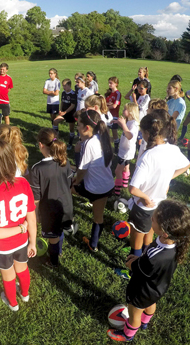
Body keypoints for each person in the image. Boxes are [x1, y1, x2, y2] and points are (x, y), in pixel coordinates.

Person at [107, 200, 190, 342]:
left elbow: (139, 269)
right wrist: (139, 260)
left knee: (134, 314)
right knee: (151, 304)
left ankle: (127, 335)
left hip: (142, 291)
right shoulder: (175, 242)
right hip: (158, 288)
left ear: (164, 232)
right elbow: (147, 263)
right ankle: (146, 322)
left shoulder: (155, 257)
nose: (151, 218)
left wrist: (132, 263)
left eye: (154, 219)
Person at [0, 141, 37, 312]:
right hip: (21, 241)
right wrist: (31, 241)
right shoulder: (23, 183)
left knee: (8, 274)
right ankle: (25, 295)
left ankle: (13, 304)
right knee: (22, 268)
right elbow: (31, 218)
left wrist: (20, 229)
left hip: (0, 247)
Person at [125, 110, 190, 259]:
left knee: (137, 238)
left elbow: (133, 188)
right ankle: (146, 256)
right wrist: (168, 179)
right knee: (150, 230)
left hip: (143, 207)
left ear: (148, 133)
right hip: (159, 204)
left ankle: (132, 267)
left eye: (142, 133)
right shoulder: (173, 149)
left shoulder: (147, 156)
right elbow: (186, 165)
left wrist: (146, 198)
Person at [71, 110, 114, 252]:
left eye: (78, 125)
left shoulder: (89, 144)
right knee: (98, 218)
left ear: (87, 128)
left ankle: (65, 223)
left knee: (65, 188)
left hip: (94, 188)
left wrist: (76, 181)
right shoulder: (102, 137)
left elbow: (81, 169)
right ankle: (93, 245)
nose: (77, 128)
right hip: (107, 185)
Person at [30, 128, 73, 267]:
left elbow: (36, 197)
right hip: (66, 205)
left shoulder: (37, 168)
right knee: (59, 230)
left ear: (41, 145)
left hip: (50, 210)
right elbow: (69, 183)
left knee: (53, 238)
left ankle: (54, 261)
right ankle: (58, 251)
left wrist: (35, 215)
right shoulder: (65, 161)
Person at [114, 103, 139, 197]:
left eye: (125, 109)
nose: (123, 110)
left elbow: (129, 136)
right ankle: (124, 184)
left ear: (131, 112)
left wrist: (123, 124)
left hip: (126, 152)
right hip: (126, 150)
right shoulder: (130, 121)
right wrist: (120, 124)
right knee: (126, 167)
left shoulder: (134, 124)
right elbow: (126, 130)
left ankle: (117, 190)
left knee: (117, 171)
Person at [53, 78, 77, 150]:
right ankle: (56, 138)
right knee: (55, 121)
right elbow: (62, 102)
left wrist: (65, 112)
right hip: (63, 113)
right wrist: (60, 110)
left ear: (69, 85)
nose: (64, 87)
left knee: (71, 129)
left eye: (65, 85)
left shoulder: (73, 94)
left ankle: (70, 144)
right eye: (63, 86)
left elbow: (72, 105)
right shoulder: (63, 93)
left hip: (70, 114)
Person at [105, 77, 122, 153]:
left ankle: (116, 148)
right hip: (107, 116)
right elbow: (105, 103)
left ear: (116, 84)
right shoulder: (108, 93)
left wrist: (107, 107)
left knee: (115, 133)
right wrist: (108, 105)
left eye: (111, 83)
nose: (109, 84)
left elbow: (115, 106)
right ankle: (108, 147)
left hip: (114, 116)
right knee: (107, 132)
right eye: (109, 83)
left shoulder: (117, 93)